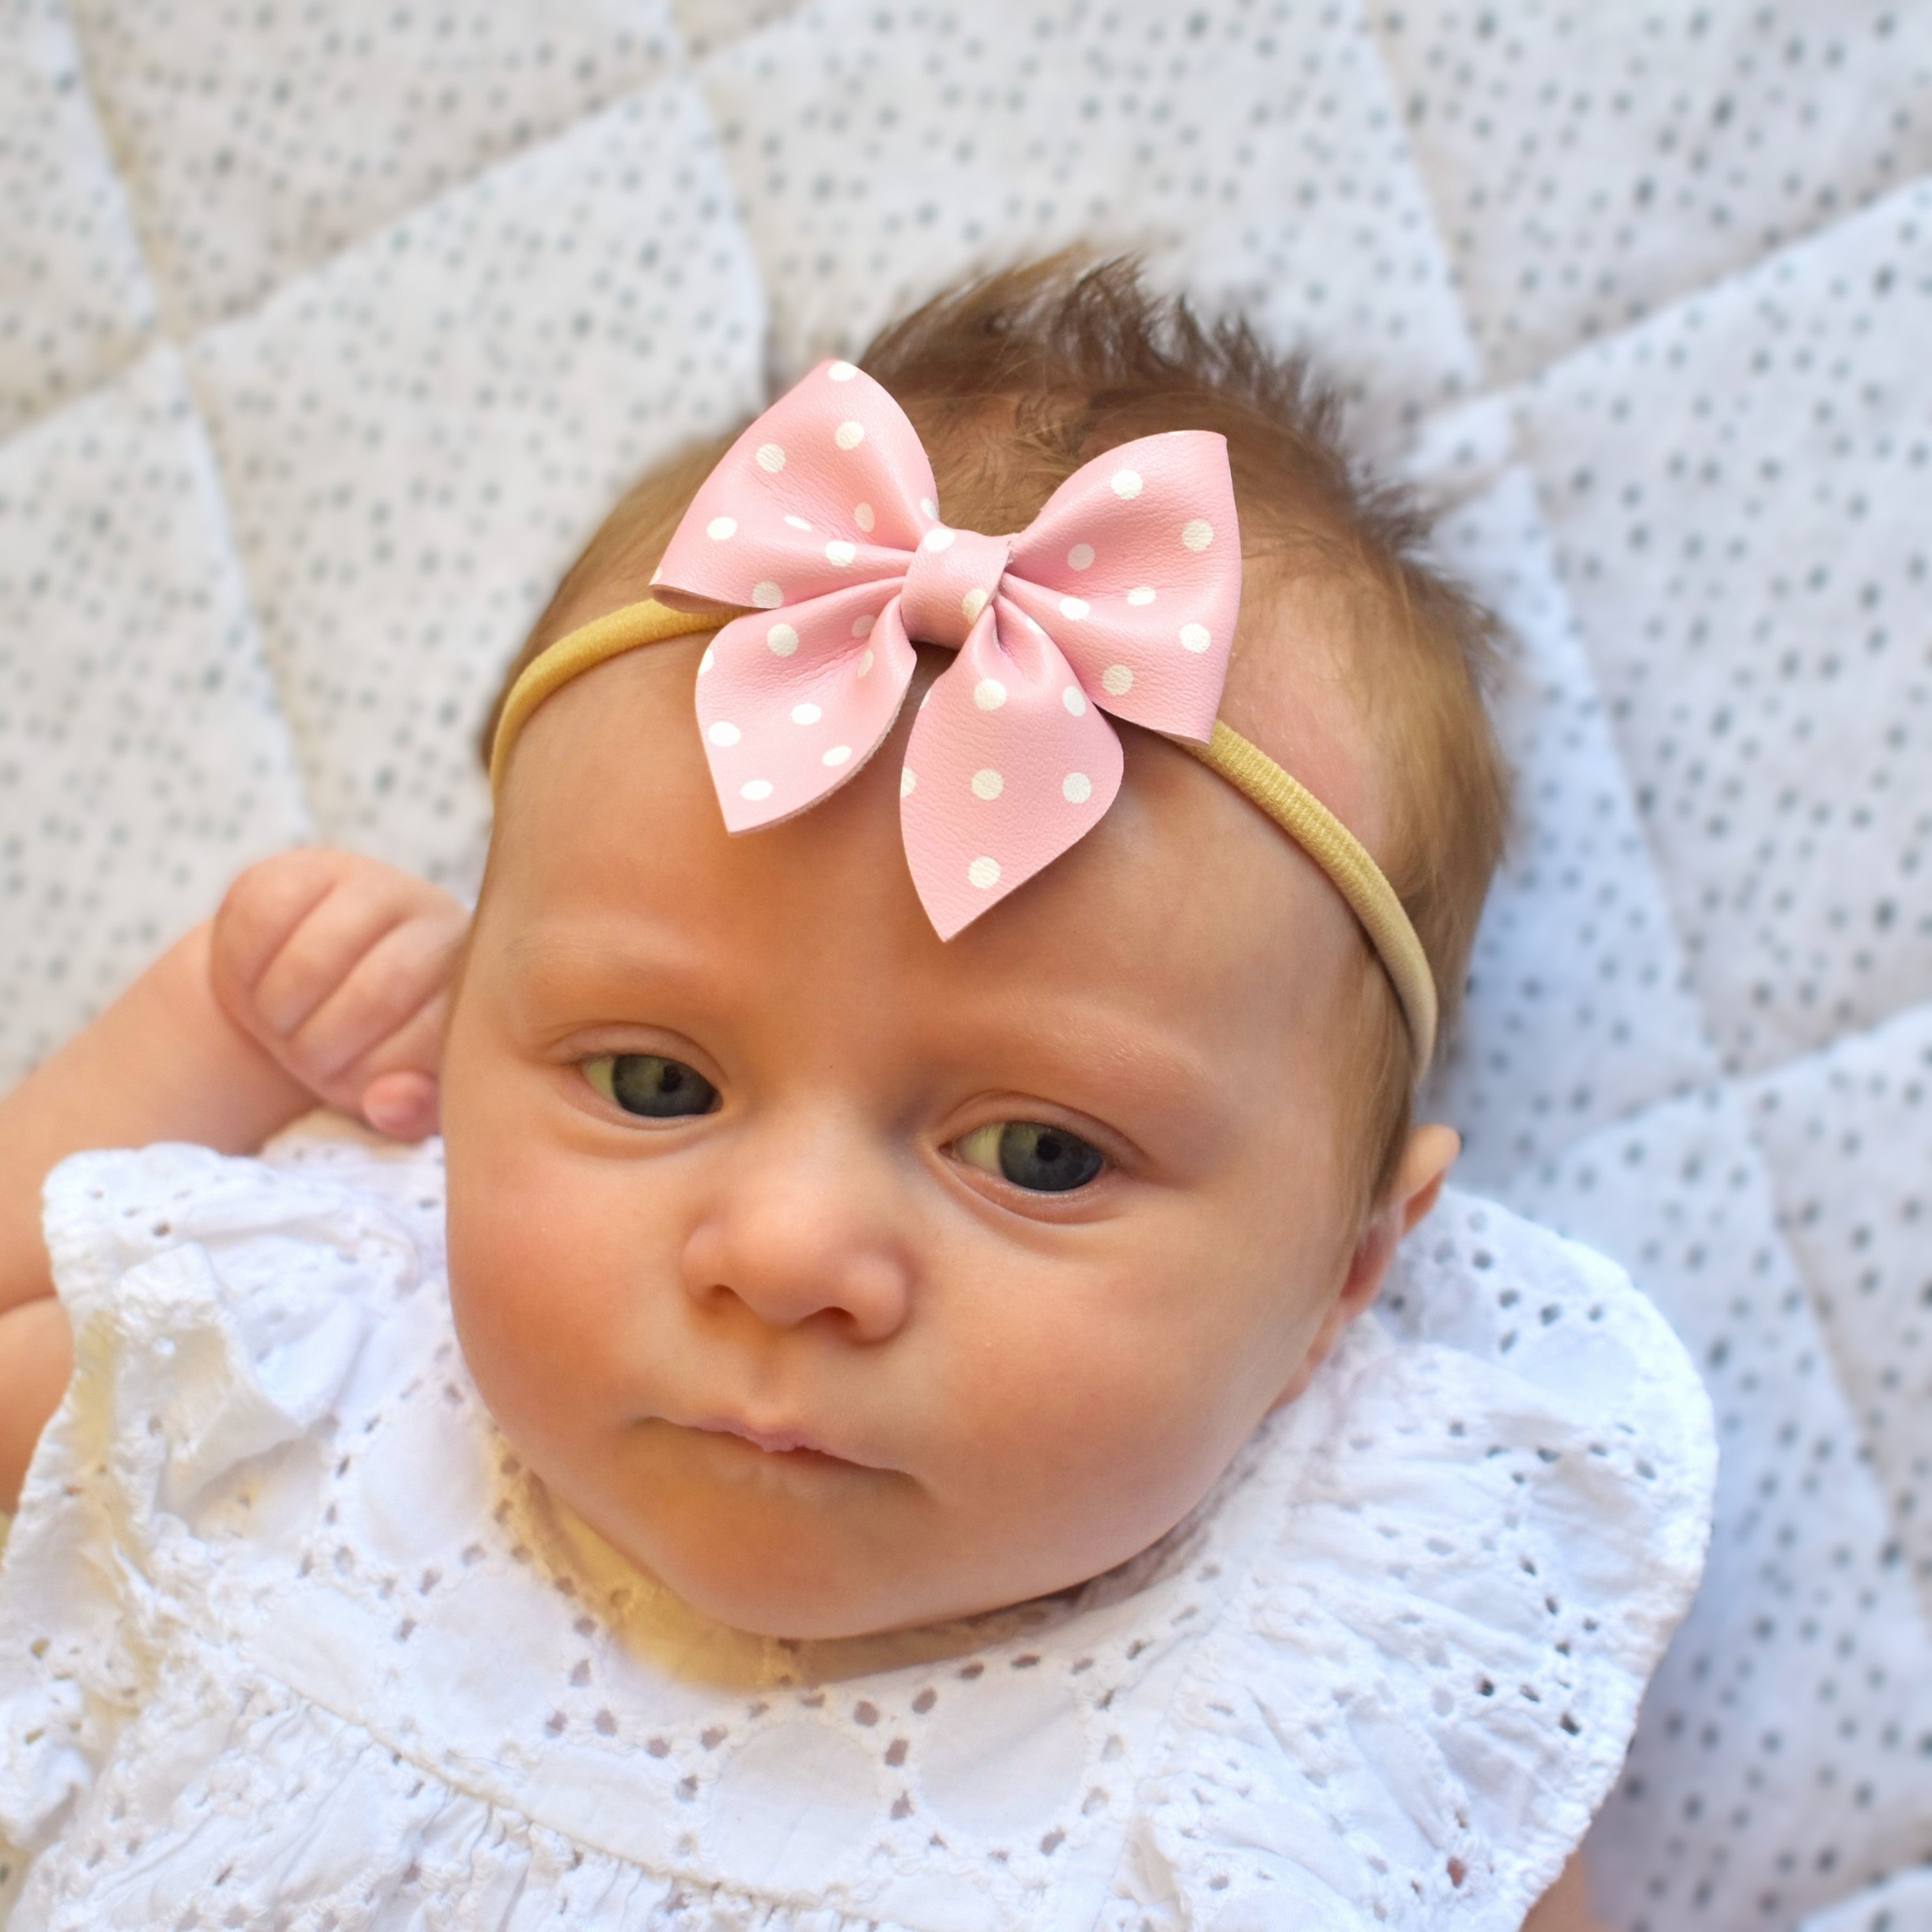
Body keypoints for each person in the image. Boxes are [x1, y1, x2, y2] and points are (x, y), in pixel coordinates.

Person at [0, 262, 1711, 1929]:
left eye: (1038, 1153)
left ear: (1346, 1271)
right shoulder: (303, 1383)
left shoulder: (1353, 1664)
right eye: (654, 1080)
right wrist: (218, 1032)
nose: (789, 1249)